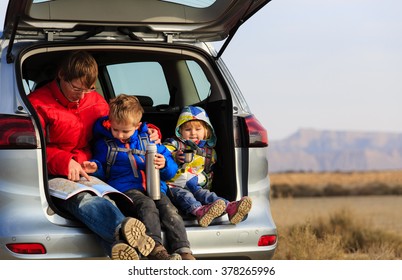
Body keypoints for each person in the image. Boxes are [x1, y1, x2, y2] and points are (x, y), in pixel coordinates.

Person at [27, 50, 159, 260]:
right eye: (76, 88)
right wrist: (65, 161)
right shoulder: (37, 104)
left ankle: (122, 245)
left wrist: (150, 131)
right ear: (61, 75)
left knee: (110, 201)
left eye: (88, 89)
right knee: (84, 201)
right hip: (54, 172)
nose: (81, 95)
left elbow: (121, 128)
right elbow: (32, 148)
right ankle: (123, 231)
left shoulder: (97, 103)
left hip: (90, 169)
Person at [82, 94, 195, 260]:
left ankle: (184, 250)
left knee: (170, 210)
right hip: (126, 189)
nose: (120, 135)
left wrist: (164, 164)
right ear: (110, 123)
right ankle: (155, 248)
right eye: (116, 129)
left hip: (156, 188)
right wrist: (95, 167)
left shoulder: (149, 140)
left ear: (138, 126)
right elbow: (102, 169)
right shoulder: (105, 144)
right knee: (147, 205)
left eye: (125, 131)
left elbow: (171, 172)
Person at [163, 106, 252, 227]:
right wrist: (174, 156)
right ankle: (200, 212)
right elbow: (163, 154)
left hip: (195, 184)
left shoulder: (209, 152)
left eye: (198, 129)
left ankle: (230, 207)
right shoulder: (174, 144)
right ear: (180, 131)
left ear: (206, 131)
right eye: (188, 129)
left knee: (206, 195)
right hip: (174, 185)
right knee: (185, 196)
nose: (193, 132)